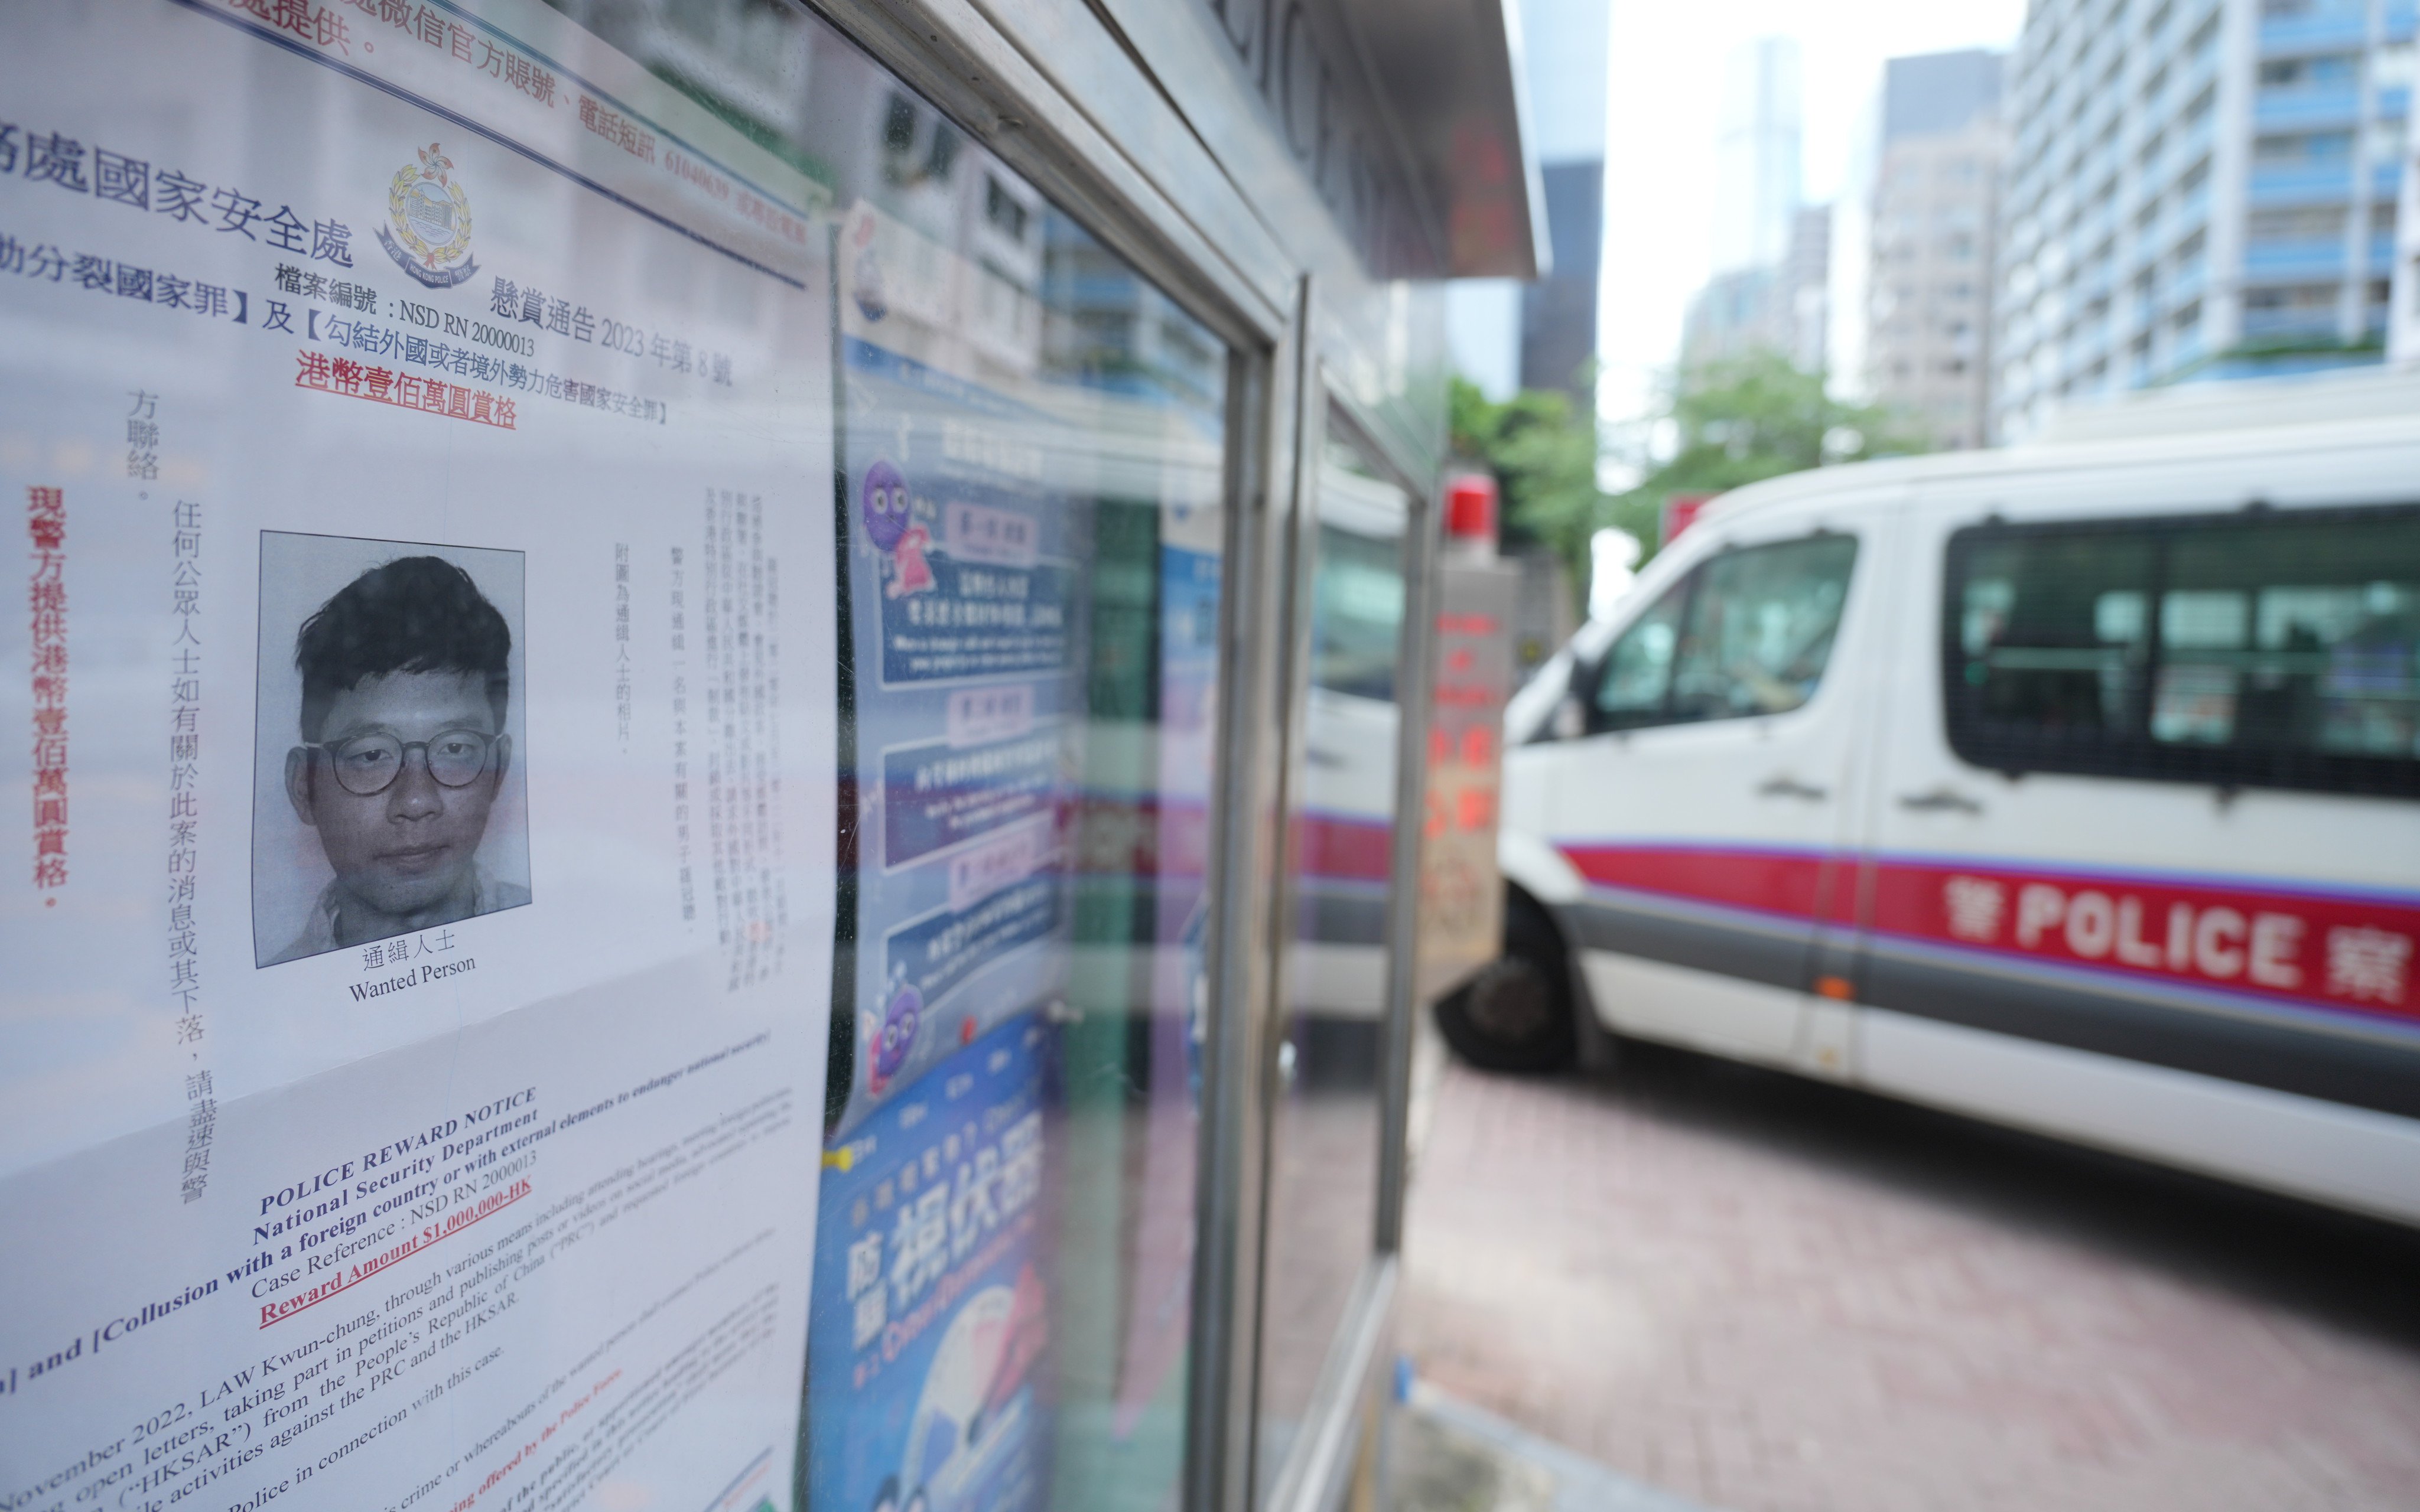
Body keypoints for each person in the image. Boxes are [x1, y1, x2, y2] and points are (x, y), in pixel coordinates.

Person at [266, 555, 528, 964]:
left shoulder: (566, 943)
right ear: (304, 786)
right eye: (371, 755)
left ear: (498, 772)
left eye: (455, 749)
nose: (416, 801)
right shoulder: (268, 1008)